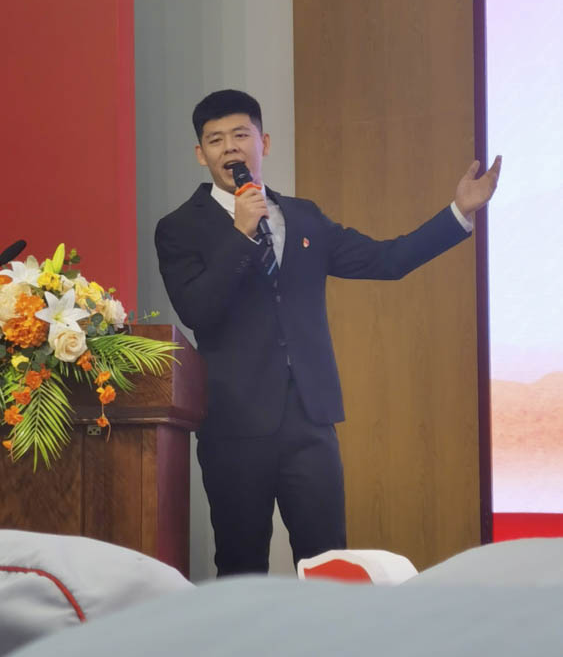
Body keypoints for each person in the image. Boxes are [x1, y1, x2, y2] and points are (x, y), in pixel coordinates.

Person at [155, 89, 501, 577]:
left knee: (330, 564)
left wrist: (458, 213)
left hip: (311, 420)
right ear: (200, 154)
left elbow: (387, 260)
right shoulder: (178, 228)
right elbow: (198, 311)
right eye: (216, 140)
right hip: (235, 426)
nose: (229, 147)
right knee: (241, 568)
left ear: (263, 143)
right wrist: (240, 234)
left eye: (240, 135)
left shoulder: (304, 217)